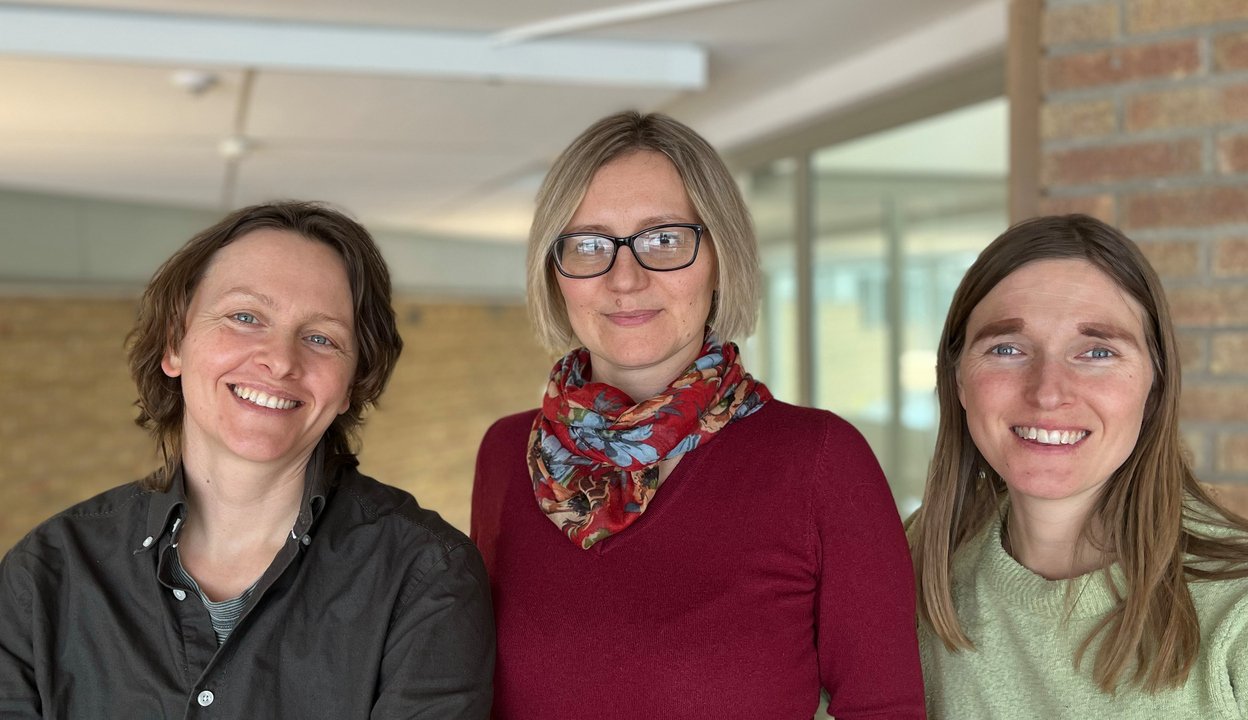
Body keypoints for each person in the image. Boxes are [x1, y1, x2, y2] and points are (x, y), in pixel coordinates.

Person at [470, 111, 924, 719]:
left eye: (663, 240)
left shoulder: (820, 460)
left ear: (719, 255)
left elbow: (885, 708)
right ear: (555, 272)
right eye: (589, 244)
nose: (625, 279)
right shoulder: (506, 453)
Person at [0, 202, 495, 718]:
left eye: (321, 338)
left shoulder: (425, 575)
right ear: (174, 344)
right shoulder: (45, 575)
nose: (280, 360)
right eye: (245, 317)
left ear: (351, 384)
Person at [910, 214, 1248, 719]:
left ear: (1155, 385)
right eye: (1007, 348)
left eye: (1097, 352)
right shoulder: (907, 567)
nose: (1047, 393)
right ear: (957, 381)